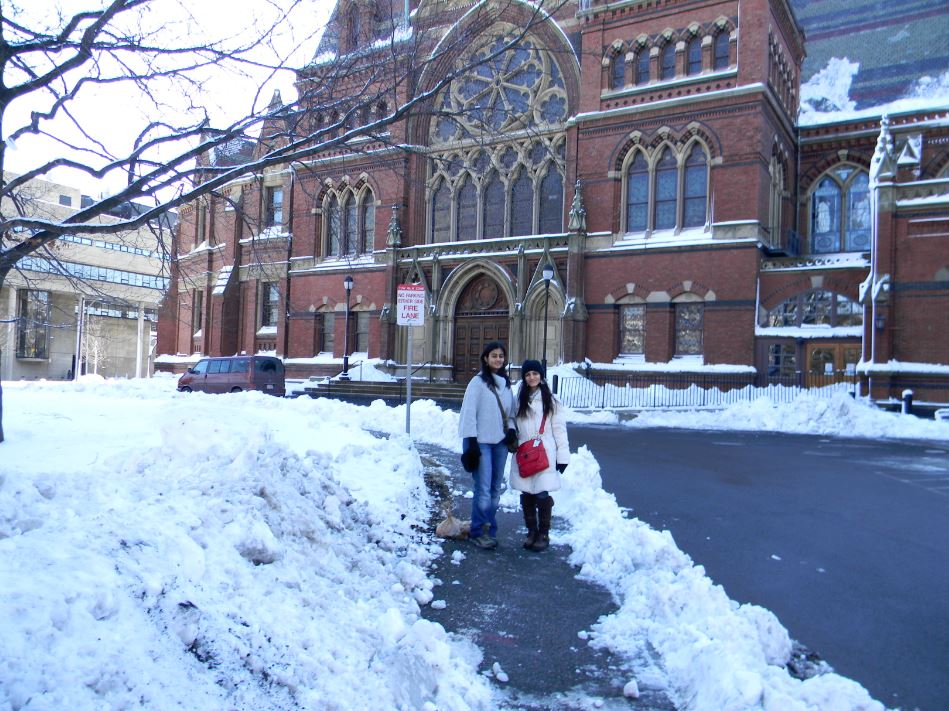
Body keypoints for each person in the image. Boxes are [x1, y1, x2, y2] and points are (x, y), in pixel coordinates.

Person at [458, 341, 517, 549]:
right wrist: (471, 442)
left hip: (500, 444)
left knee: (495, 489)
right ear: (485, 358)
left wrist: (511, 430)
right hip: (482, 443)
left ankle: (489, 528)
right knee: (483, 489)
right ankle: (477, 531)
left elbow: (511, 414)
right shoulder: (477, 383)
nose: (498, 359)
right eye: (494, 355)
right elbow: (468, 414)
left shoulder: (507, 384)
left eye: (501, 355)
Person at [510, 359, 569, 552]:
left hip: (546, 451)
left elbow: (559, 430)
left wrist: (563, 457)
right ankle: (531, 532)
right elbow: (513, 425)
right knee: (526, 494)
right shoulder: (519, 400)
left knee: (542, 494)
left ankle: (544, 534)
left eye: (535, 373)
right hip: (525, 453)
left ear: (541, 376)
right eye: (528, 374)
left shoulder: (551, 401)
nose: (532, 377)